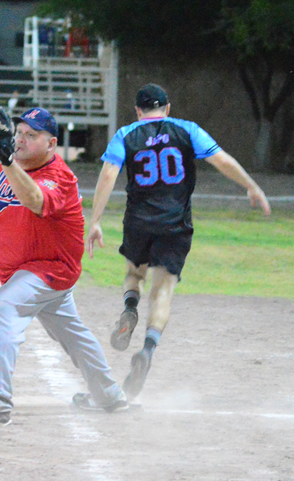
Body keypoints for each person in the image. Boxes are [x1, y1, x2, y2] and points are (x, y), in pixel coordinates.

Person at [86, 83, 272, 400]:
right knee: (163, 290)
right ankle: (147, 349)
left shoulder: (126, 135)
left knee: (134, 274)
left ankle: (130, 307)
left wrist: (96, 221)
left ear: (138, 111)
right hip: (175, 224)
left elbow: (108, 176)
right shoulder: (187, 131)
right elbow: (222, 160)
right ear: (167, 108)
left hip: (139, 222)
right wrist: (250, 186)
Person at [0, 105, 128, 426]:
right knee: (73, 334)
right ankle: (108, 394)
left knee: (3, 306)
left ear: (51, 144)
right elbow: (0, 204)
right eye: (18, 132)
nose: (20, 140)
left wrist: (7, 161)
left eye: (31, 135)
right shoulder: (9, 166)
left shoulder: (58, 177)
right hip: (32, 270)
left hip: (50, 268)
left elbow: (34, 200)